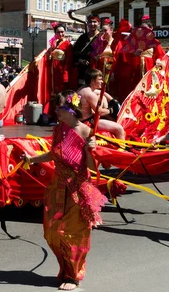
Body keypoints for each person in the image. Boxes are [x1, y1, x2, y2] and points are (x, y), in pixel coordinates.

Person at [22, 90, 107, 291]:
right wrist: (31, 159)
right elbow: (54, 154)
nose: (56, 111)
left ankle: (73, 275)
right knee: (51, 233)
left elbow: (93, 168)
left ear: (71, 109)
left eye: (60, 107)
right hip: (57, 187)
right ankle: (65, 269)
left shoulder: (86, 132)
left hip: (77, 189)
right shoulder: (59, 129)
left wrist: (89, 150)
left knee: (71, 233)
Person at [76, 68, 125, 140]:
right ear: (92, 81)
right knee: (119, 129)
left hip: (85, 118)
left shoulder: (84, 88)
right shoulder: (89, 94)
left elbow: (102, 93)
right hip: (88, 123)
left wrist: (113, 101)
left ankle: (112, 119)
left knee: (103, 97)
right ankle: (122, 150)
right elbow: (100, 112)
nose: (102, 82)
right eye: (100, 79)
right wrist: (111, 110)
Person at [45, 23, 73, 119]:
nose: (60, 34)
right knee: (54, 94)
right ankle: (54, 115)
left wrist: (65, 76)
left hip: (61, 74)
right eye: (58, 32)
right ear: (55, 33)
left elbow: (69, 61)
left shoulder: (68, 45)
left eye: (62, 32)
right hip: (53, 73)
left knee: (62, 95)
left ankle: (63, 116)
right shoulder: (54, 44)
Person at [72, 15, 100, 86]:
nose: (92, 24)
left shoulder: (101, 37)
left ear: (98, 23)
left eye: (94, 22)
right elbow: (75, 52)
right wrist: (81, 61)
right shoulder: (82, 37)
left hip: (98, 68)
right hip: (83, 70)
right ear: (87, 23)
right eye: (90, 22)